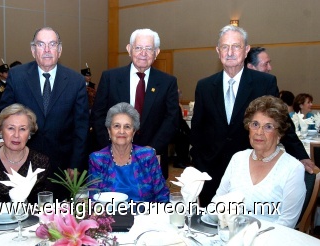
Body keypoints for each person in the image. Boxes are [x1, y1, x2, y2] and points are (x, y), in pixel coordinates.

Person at [190, 25, 315, 207]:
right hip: (212, 171)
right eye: (225, 47)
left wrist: (301, 155)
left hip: (251, 170)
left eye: (236, 46)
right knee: (212, 222)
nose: (230, 52)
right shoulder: (205, 86)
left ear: (246, 50)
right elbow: (197, 130)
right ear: (218, 51)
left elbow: (282, 122)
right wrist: (199, 165)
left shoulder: (264, 83)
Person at [0, 27, 89, 200]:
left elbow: (81, 128)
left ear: (59, 50)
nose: (47, 50)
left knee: (57, 221)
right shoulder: (17, 76)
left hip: (62, 168)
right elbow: (2, 115)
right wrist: (2, 143)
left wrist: (75, 165)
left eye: (52, 44)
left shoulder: (76, 81)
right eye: (41, 44)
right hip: (22, 163)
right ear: (33, 50)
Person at [91, 28, 179, 179]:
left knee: (151, 201)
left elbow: (172, 119)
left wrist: (152, 149)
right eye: (138, 48)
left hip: (152, 158)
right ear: (129, 49)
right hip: (112, 158)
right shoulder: (110, 78)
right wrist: (111, 148)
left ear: (156, 52)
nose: (143, 53)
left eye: (148, 48)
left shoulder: (168, 82)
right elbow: (97, 115)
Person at [213, 96, 305, 228]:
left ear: (279, 133)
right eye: (255, 124)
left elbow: (287, 223)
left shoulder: (293, 168)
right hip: (230, 234)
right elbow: (217, 201)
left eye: (268, 127)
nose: (259, 132)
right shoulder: (238, 159)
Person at [0, 103, 51, 214]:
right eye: (11, 128)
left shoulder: (41, 162)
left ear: (29, 134)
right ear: (0, 131)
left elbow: (45, 208)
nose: (16, 135)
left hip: (29, 227)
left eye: (22, 129)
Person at [88, 102, 169, 202]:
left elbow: (162, 195)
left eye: (127, 127)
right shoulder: (97, 159)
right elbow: (93, 199)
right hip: (109, 216)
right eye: (117, 126)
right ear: (109, 131)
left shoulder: (147, 156)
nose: (122, 131)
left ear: (133, 132)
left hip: (145, 215)